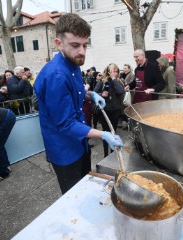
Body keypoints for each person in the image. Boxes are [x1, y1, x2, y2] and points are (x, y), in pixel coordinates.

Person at [34, 13, 123, 194]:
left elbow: (77, 92)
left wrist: (91, 94)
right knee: (73, 196)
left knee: (86, 186)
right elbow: (65, 124)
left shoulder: (73, 63)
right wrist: (103, 134)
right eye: (75, 45)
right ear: (59, 43)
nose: (82, 51)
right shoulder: (56, 75)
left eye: (85, 44)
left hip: (80, 142)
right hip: (64, 149)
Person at [94, 63, 125, 157]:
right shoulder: (102, 81)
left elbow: (120, 91)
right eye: (112, 71)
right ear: (108, 71)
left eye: (116, 71)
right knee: (105, 132)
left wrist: (114, 79)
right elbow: (94, 93)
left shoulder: (119, 81)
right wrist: (101, 95)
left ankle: (112, 153)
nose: (114, 73)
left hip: (115, 110)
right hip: (105, 110)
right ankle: (105, 154)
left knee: (113, 132)